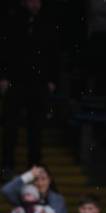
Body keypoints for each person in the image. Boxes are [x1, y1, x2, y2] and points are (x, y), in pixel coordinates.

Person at [1, 0, 59, 176]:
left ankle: (33, 166)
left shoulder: (47, 22)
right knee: (10, 125)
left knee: (36, 128)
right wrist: (3, 76)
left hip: (38, 82)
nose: (35, 4)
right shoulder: (12, 20)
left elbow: (53, 52)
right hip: (16, 81)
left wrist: (52, 79)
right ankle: (7, 164)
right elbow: (5, 49)